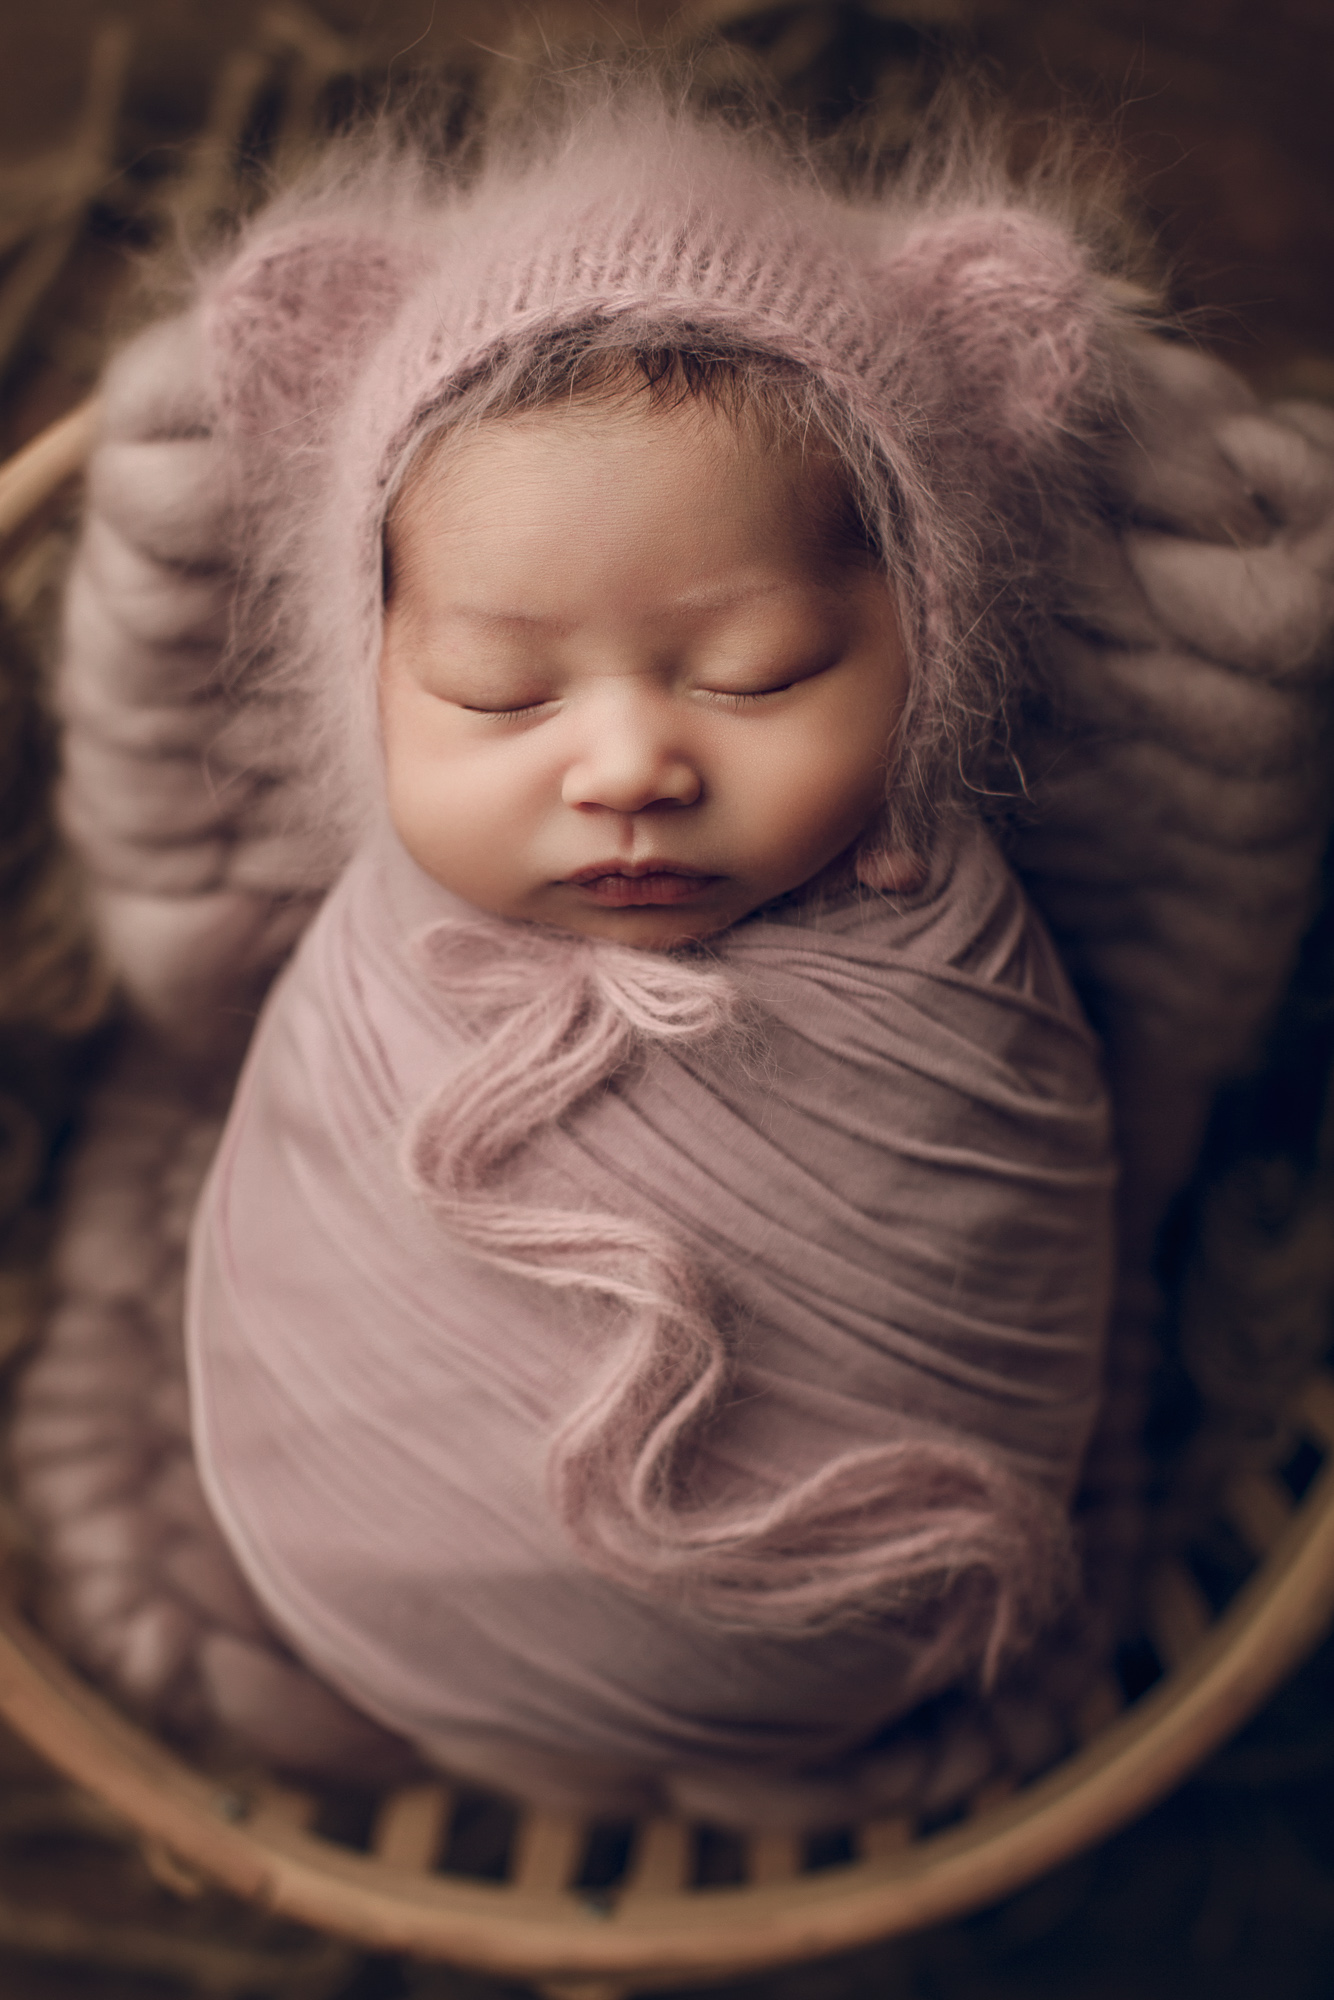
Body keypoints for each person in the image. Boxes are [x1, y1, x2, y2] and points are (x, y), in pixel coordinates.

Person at [17, 59, 1334, 1829]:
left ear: (926, 643)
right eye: (496, 690)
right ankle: (368, 1644)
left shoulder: (965, 965)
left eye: (759, 672)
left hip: (856, 1630)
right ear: (370, 678)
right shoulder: (361, 950)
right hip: (353, 1579)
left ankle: (749, 1725)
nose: (630, 764)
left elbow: (1037, 1225)